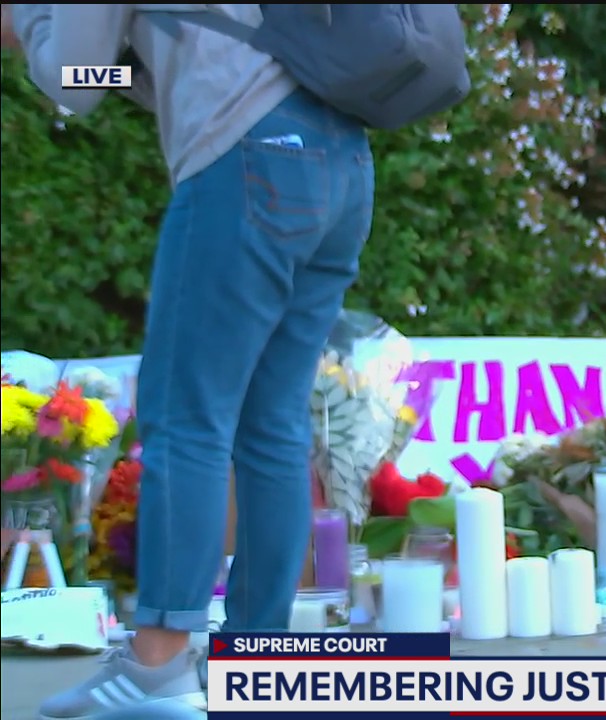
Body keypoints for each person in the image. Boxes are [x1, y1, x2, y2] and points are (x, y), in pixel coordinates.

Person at [3, 5, 374, 717]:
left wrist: (31, 25)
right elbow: (135, 73)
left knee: (185, 420)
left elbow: (76, 85)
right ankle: (260, 669)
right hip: (343, 163)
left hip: (248, 163)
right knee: (271, 426)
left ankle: (158, 664)